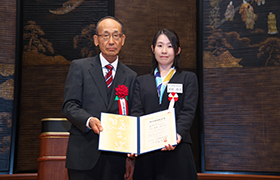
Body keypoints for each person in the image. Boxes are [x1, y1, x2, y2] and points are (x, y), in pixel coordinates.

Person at [62, 16, 137, 180]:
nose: (111, 41)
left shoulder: (131, 76)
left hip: (116, 160)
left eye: (116, 35)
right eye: (106, 35)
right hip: (83, 157)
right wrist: (89, 120)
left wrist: (130, 157)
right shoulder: (79, 67)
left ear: (123, 40)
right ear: (96, 40)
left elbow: (133, 116)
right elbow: (69, 105)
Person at [129, 29, 199, 180]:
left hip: (177, 150)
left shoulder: (188, 78)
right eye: (160, 45)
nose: (164, 51)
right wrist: (135, 141)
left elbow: (188, 111)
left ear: (177, 50)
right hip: (147, 154)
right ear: (152, 49)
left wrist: (176, 136)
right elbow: (136, 112)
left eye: (169, 46)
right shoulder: (141, 81)